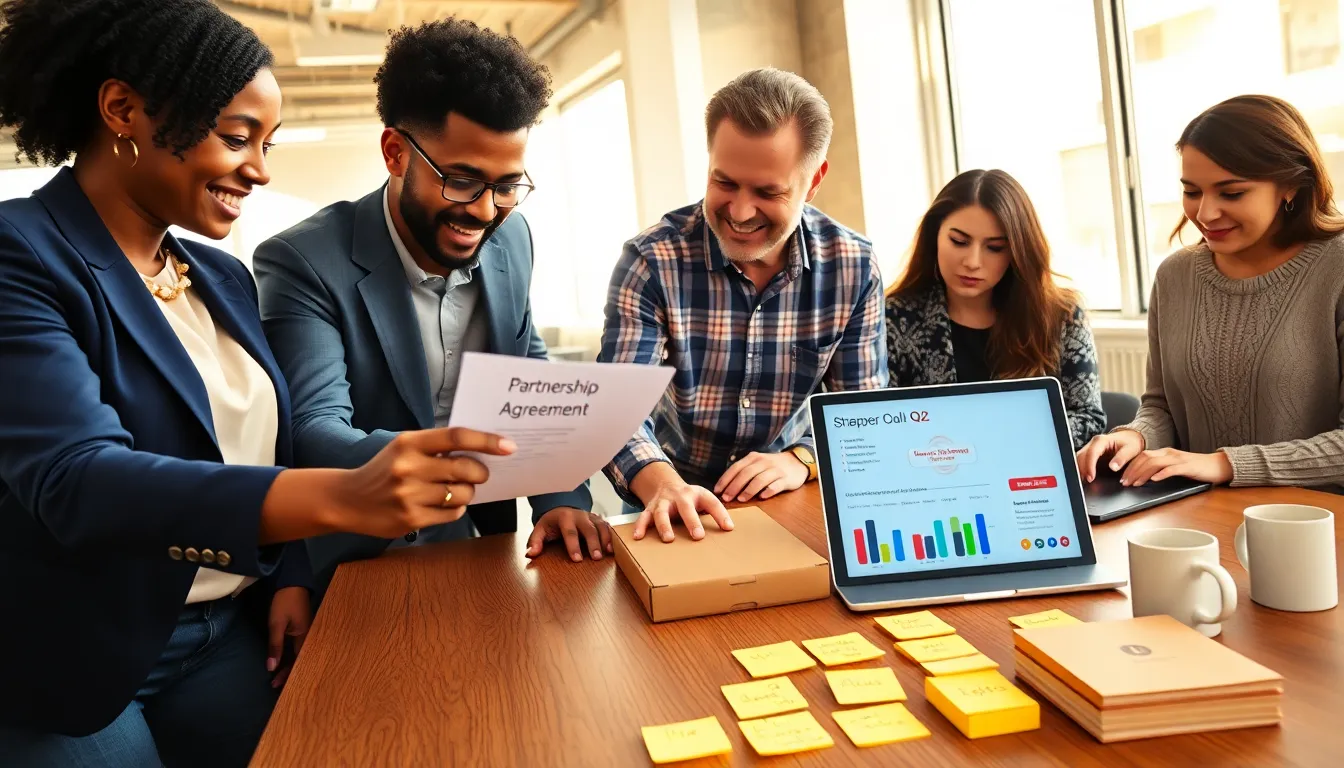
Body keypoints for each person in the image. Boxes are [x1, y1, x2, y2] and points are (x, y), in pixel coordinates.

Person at [0, 2, 513, 765]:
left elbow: (256, 453)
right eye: (236, 137)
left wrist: (290, 575)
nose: (261, 169)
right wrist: (341, 496)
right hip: (81, 653)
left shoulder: (220, 276)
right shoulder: (23, 255)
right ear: (121, 111)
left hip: (229, 633)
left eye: (266, 143)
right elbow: (78, 481)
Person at [254, 19, 599, 592]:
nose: (486, 211)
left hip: (485, 552)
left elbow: (525, 366)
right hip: (357, 565)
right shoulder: (303, 260)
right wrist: (457, 459)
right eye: (462, 181)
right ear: (395, 152)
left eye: (507, 185)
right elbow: (313, 430)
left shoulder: (514, 240)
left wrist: (558, 495)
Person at [599, 67, 888, 543]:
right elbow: (614, 411)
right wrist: (664, 483)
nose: (739, 212)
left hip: (793, 503)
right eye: (725, 183)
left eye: (767, 192)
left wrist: (802, 459)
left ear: (813, 181)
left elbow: (864, 415)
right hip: (665, 503)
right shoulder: (651, 261)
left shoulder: (854, 267)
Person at [1077, 95, 1344, 490]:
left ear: (1290, 185)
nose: (1204, 213)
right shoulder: (1176, 276)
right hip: (1202, 518)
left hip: (1316, 529)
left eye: (1231, 193)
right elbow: (1161, 406)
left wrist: (1225, 464)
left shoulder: (1335, 267)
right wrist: (1136, 436)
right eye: (1192, 191)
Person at [885, 169, 1105, 449]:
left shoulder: (1063, 314)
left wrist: (994, 442)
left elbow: (1088, 419)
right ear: (934, 236)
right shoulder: (894, 317)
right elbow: (882, 424)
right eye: (959, 242)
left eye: (995, 248)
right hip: (937, 482)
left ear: (1018, 251)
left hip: (1030, 477)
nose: (973, 261)